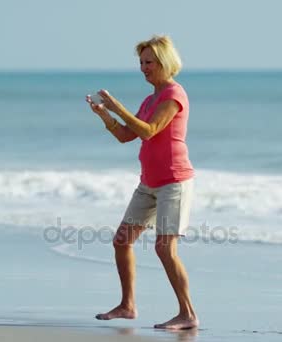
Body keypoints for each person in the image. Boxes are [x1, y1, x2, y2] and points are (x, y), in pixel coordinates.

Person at [87, 35, 199, 330]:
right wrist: (104, 115)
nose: (143, 68)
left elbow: (149, 131)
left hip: (174, 181)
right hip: (149, 182)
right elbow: (127, 135)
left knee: (165, 249)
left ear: (164, 63)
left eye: (149, 62)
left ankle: (187, 313)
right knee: (121, 241)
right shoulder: (150, 100)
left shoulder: (175, 95)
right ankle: (128, 305)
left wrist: (116, 105)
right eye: (141, 63)